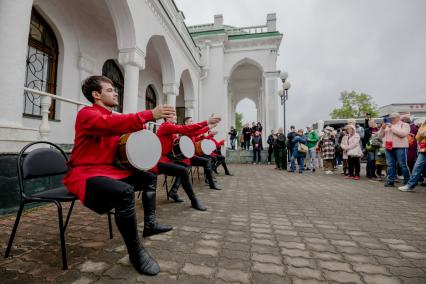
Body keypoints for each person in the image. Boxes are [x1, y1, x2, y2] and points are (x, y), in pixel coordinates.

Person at [64, 76, 176, 275]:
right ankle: (136, 252)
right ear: (96, 95)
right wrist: (150, 113)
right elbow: (111, 124)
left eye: (114, 90)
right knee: (125, 192)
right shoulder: (87, 114)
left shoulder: (112, 117)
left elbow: (124, 131)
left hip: (109, 170)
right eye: (109, 90)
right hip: (85, 173)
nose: (115, 92)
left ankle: (149, 225)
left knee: (149, 178)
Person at [154, 114, 221, 210]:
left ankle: (175, 192)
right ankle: (193, 200)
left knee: (185, 168)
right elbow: (187, 129)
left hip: (169, 159)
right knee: (184, 170)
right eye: (173, 115)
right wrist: (207, 123)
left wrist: (209, 126)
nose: (176, 117)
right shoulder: (166, 126)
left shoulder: (171, 129)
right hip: (161, 160)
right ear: (167, 118)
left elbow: (194, 132)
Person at [167, 117, 222, 197]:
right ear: (186, 123)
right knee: (186, 168)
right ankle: (174, 191)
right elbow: (196, 132)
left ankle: (211, 183)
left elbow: (197, 137)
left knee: (207, 161)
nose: (192, 122)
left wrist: (208, 133)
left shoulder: (190, 130)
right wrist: (209, 127)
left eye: (193, 120)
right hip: (185, 157)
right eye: (190, 121)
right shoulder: (186, 131)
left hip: (190, 155)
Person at [379, 112, 411, 187]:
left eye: (393, 118)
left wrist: (391, 127)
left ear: (398, 118)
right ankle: (390, 181)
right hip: (388, 147)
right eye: (390, 118)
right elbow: (380, 136)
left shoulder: (404, 125)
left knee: (402, 164)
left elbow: (403, 134)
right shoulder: (387, 125)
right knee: (390, 165)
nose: (391, 119)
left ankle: (408, 181)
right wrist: (382, 128)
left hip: (400, 147)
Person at [399, 120, 426, 192]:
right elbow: (418, 137)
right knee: (417, 167)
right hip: (423, 149)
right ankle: (410, 185)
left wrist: (422, 133)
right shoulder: (424, 124)